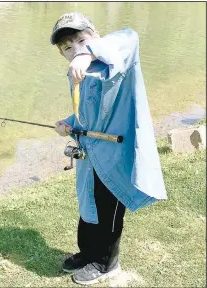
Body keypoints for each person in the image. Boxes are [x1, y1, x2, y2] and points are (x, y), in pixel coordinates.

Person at [51, 12, 167, 285]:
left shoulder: (118, 54)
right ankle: (88, 252)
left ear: (96, 35)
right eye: (68, 47)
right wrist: (68, 123)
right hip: (89, 154)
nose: (75, 48)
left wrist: (87, 53)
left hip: (115, 156)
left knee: (108, 209)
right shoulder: (77, 75)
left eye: (81, 39)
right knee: (87, 204)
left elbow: (129, 36)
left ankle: (106, 263)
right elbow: (88, 116)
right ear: (61, 54)